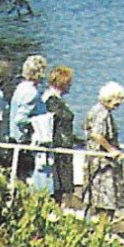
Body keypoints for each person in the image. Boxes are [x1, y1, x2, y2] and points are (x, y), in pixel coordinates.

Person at [82, 81, 124, 222]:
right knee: (106, 200)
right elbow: (96, 134)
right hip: (102, 162)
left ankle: (101, 230)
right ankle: (103, 232)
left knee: (97, 199)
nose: (119, 103)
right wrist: (111, 149)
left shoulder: (96, 110)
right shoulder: (102, 113)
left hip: (94, 160)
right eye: (117, 100)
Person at [7, 54, 48, 183]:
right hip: (23, 140)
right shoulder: (31, 93)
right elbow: (20, 119)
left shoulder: (21, 87)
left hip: (14, 137)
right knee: (24, 176)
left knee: (18, 175)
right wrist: (38, 122)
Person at [43, 65, 78, 206]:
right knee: (61, 182)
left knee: (64, 183)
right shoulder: (51, 100)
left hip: (64, 143)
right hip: (59, 146)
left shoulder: (55, 99)